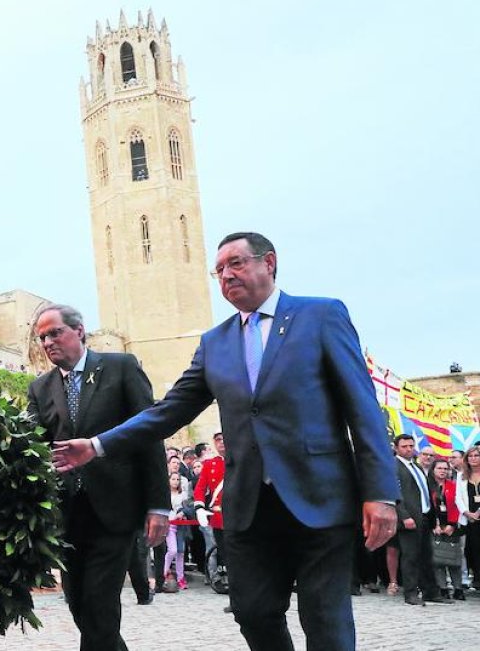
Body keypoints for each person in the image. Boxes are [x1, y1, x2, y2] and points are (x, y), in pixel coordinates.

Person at [52, 232, 400, 651]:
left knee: (325, 618)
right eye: (218, 271)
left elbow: (362, 408)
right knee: (252, 612)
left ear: (269, 262)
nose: (226, 276)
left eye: (235, 263)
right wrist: (97, 445)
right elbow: (170, 410)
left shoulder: (321, 316)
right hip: (249, 507)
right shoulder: (215, 342)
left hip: (320, 498)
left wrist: (381, 492)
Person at [26, 304, 168, 650]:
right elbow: (31, 445)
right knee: (78, 604)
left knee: (100, 605)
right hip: (67, 515)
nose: (48, 342)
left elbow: (149, 435)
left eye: (55, 332)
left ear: (79, 330)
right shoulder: (40, 387)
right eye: (42, 336)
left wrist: (158, 506)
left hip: (115, 510)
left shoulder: (121, 368)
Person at [394, 433, 445, 605]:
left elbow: (425, 493)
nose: (409, 449)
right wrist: (404, 516)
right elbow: (395, 495)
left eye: (411, 445)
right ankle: (410, 593)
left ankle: (430, 591)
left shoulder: (415, 467)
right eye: (404, 446)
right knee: (410, 557)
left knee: (426, 556)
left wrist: (433, 517)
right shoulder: (394, 467)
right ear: (396, 448)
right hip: (409, 519)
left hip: (424, 516)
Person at [193, 432, 227, 584]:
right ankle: (225, 582)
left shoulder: (241, 460)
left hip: (240, 514)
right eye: (218, 440)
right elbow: (200, 488)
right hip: (218, 515)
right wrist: (199, 507)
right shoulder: (210, 464)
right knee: (223, 552)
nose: (221, 442)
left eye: (224, 439)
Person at [428, 458, 464, 599]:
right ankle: (442, 588)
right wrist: (434, 524)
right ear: (433, 470)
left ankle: (458, 588)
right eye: (439, 468)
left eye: (445, 468)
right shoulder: (428, 486)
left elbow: (457, 505)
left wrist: (452, 524)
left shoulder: (453, 486)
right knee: (438, 559)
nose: (443, 471)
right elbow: (428, 506)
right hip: (434, 526)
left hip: (451, 526)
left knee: (454, 559)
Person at [461, 446, 480, 591]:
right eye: (471, 456)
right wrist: (468, 513)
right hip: (470, 520)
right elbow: (458, 498)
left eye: (476, 455)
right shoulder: (461, 476)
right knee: (473, 550)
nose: (473, 458)